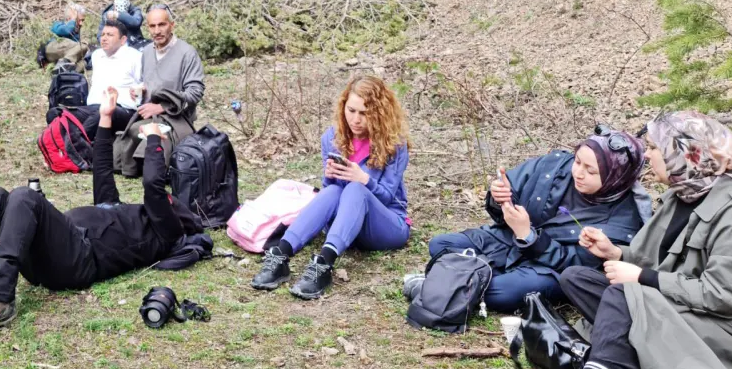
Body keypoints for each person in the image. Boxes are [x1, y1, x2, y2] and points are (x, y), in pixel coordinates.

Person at [0, 87, 204, 337]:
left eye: (172, 202)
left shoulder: (166, 232)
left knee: (25, 197)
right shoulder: (120, 211)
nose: (168, 200)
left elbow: (153, 185)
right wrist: (106, 118)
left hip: (78, 261)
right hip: (51, 252)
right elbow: (101, 169)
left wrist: (154, 137)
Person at [526, 111, 732, 369]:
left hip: (717, 330)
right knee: (577, 278)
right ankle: (636, 360)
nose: (648, 155)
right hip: (675, 308)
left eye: (654, 148)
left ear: (682, 154)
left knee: (624, 292)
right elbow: (657, 262)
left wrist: (641, 279)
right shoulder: (682, 195)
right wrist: (615, 253)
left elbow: (722, 296)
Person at [406, 130, 649, 312]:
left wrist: (529, 237)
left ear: (615, 178)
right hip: (506, 241)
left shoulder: (625, 217)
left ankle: (447, 280)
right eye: (578, 162)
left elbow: (575, 266)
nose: (579, 172)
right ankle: (464, 278)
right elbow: (506, 205)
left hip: (550, 268)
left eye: (591, 171)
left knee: (500, 293)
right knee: (440, 245)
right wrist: (499, 197)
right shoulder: (554, 165)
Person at [251, 75, 409, 299]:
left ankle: (324, 263)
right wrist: (330, 177)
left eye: (364, 113)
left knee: (355, 188)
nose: (356, 119)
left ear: (379, 113)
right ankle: (281, 254)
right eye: (351, 110)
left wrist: (364, 179)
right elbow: (331, 196)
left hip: (387, 226)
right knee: (334, 190)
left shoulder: (395, 145)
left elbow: (386, 198)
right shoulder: (332, 138)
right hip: (347, 226)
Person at [138, 4, 204, 126]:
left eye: (162, 24)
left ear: (172, 25)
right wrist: (139, 90)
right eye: (152, 26)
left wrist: (162, 107)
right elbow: (145, 81)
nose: (157, 31)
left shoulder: (187, 53)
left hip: (177, 119)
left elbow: (195, 92)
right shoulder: (147, 51)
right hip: (147, 117)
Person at [85, 20, 142, 133]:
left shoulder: (135, 57)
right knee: (57, 113)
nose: (104, 38)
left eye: (110, 35)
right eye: (103, 35)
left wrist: (140, 90)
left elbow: (146, 82)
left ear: (123, 40)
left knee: (101, 115)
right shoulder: (97, 55)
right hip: (93, 107)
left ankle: (70, 144)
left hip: (121, 109)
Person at [44, 3, 88, 71]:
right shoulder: (58, 25)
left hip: (63, 56)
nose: (81, 23)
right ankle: (65, 62)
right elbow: (66, 31)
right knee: (83, 46)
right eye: (79, 20)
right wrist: (73, 19)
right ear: (69, 18)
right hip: (52, 50)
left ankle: (65, 71)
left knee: (84, 62)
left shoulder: (77, 32)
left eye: (83, 21)